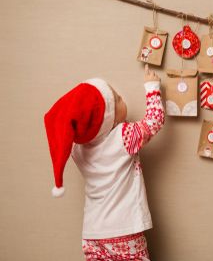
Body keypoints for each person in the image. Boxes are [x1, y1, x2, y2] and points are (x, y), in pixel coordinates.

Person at [44, 65, 164, 260]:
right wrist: (152, 87)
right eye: (117, 100)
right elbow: (154, 120)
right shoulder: (123, 137)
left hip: (92, 234)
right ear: (108, 118)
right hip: (125, 230)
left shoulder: (77, 149)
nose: (122, 99)